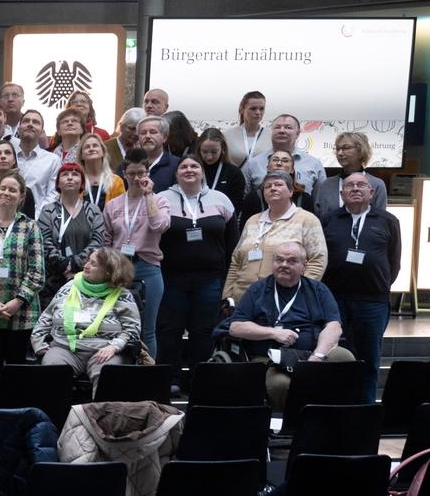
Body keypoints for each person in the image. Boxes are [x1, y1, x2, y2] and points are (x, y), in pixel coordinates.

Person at [219, 240, 356, 410]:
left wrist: (318, 356)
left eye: (291, 261)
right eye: (279, 260)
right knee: (280, 384)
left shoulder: (318, 289)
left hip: (313, 353)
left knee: (346, 358)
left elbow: (334, 327)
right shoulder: (257, 289)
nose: (284, 265)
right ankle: (287, 425)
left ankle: (335, 416)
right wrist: (273, 333)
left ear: (303, 266)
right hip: (272, 358)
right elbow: (236, 327)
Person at [320, 171, 401, 401]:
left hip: (372, 301)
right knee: (334, 355)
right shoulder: (328, 220)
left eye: (361, 185)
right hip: (334, 300)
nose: (355, 189)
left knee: (369, 359)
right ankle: (335, 404)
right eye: (350, 186)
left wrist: (379, 283)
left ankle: (365, 410)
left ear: (371, 192)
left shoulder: (388, 221)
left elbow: (393, 262)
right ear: (341, 193)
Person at [156, 156, 240, 370]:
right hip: (171, 278)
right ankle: (170, 379)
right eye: (184, 167)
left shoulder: (221, 199)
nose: (189, 170)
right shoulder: (162, 199)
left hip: (210, 279)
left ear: (202, 172)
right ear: (176, 173)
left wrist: (227, 278)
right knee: (169, 330)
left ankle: (198, 379)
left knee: (203, 331)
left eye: (195, 166)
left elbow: (232, 243)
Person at [0, 173, 48, 392]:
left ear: (21, 196)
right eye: (3, 188)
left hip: (21, 312)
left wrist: (18, 301)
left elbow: (37, 271)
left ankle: (16, 413)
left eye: (13, 190)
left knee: (17, 367)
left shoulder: (31, 227)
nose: (6, 193)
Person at [32, 248, 142, 384]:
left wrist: (114, 347)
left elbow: (132, 330)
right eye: (88, 261)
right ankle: (58, 406)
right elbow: (46, 317)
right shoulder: (69, 287)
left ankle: (99, 406)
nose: (86, 266)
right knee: (53, 370)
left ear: (107, 272)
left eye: (93, 264)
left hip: (104, 351)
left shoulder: (122, 295)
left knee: (107, 374)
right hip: (65, 348)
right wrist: (39, 344)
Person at [224, 170, 328, 305]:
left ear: (291, 192)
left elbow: (318, 260)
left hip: (283, 300)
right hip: (242, 299)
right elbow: (236, 260)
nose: (272, 188)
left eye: (278, 185)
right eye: (267, 186)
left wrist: (300, 293)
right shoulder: (252, 221)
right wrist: (227, 295)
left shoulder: (307, 220)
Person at [103, 159, 171, 358]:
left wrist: (148, 194)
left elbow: (159, 226)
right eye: (131, 173)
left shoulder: (159, 200)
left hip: (148, 267)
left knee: (147, 329)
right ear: (124, 173)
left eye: (141, 173)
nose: (136, 178)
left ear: (148, 173)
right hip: (119, 269)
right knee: (115, 325)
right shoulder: (113, 204)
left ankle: (147, 374)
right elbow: (106, 240)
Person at [37, 162, 109, 306]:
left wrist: (76, 263)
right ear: (58, 183)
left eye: (75, 174)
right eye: (65, 174)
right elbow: (43, 240)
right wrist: (63, 264)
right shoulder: (48, 210)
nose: (70, 178)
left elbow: (98, 240)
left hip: (87, 276)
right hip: (54, 279)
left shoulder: (93, 210)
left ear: (81, 182)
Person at [311, 131, 388, 220]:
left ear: (361, 151)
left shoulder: (377, 184)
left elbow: (381, 220)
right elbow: (319, 219)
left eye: (346, 148)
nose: (339, 153)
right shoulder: (326, 185)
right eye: (337, 149)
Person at [222, 90, 268, 170]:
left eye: (261, 109)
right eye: (253, 108)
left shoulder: (270, 135)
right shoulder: (227, 135)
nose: (258, 112)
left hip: (262, 181)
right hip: (235, 181)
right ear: (241, 110)